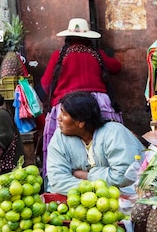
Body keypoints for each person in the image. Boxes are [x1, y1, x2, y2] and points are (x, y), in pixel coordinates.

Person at [41, 18, 122, 174]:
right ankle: (107, 175)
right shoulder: (97, 54)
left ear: (67, 37)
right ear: (89, 38)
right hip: (99, 103)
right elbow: (116, 67)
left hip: (68, 107)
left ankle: (65, 178)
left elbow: (45, 83)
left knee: (65, 146)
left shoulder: (59, 55)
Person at [45, 91, 144, 194]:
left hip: (133, 199)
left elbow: (123, 176)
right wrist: (95, 189)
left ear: (80, 123)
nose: (58, 118)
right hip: (90, 202)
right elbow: (57, 181)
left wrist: (87, 176)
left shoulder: (114, 133)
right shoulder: (60, 137)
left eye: (64, 114)